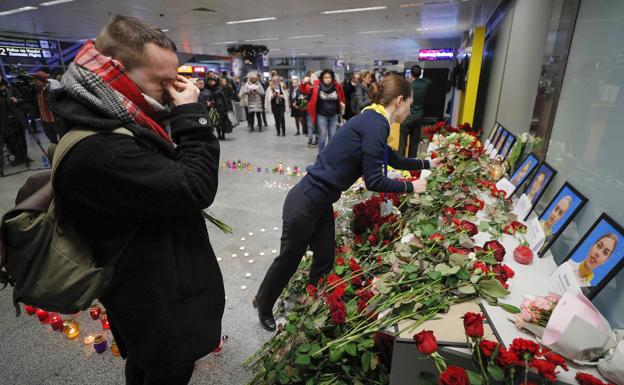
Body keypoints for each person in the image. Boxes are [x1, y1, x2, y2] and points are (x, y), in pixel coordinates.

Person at [48, 15, 224, 384]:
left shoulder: (115, 115)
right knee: (166, 368)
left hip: (155, 279)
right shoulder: (102, 146)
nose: (172, 88)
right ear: (117, 71)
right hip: (150, 298)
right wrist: (192, 115)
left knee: (146, 365)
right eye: (161, 80)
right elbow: (195, 187)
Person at [253, 75, 444, 331]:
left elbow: (394, 160)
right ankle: (263, 305)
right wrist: (411, 186)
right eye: (409, 104)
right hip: (305, 202)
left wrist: (428, 163)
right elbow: (374, 180)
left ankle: (313, 301)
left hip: (319, 202)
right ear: (399, 101)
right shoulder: (376, 124)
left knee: (324, 257)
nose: (410, 111)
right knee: (289, 260)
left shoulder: (372, 119)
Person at [305, 69, 345, 152]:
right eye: (325, 77)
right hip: (321, 116)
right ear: (322, 78)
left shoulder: (336, 87)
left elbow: (342, 97)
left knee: (333, 137)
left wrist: (342, 106)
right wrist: (304, 83)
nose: (328, 79)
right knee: (322, 136)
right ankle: (321, 155)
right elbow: (305, 91)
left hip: (333, 116)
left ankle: (330, 155)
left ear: (332, 78)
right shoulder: (317, 87)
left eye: (330, 77)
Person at [399, 65, 431, 158]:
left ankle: (400, 165)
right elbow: (428, 81)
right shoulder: (425, 84)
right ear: (420, 73)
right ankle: (411, 167)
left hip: (406, 117)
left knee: (402, 144)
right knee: (414, 144)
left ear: (411, 74)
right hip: (418, 117)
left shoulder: (408, 85)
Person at [0, 76, 31, 166]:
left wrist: (16, 100)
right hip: (5, 120)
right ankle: (18, 157)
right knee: (11, 140)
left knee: (22, 137)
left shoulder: (12, 88)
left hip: (17, 117)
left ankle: (25, 156)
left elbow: (21, 99)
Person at [31, 71, 63, 144]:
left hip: (55, 120)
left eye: (36, 80)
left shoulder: (52, 89)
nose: (34, 82)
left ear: (42, 80)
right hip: (45, 121)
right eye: (34, 80)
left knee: (63, 139)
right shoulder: (36, 91)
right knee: (53, 141)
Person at [206, 74, 231, 140]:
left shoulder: (219, 89)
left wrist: (226, 108)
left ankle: (222, 135)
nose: (211, 82)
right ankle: (219, 135)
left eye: (212, 81)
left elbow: (224, 99)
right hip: (214, 108)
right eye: (209, 81)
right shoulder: (209, 89)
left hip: (220, 108)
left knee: (221, 122)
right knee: (216, 122)